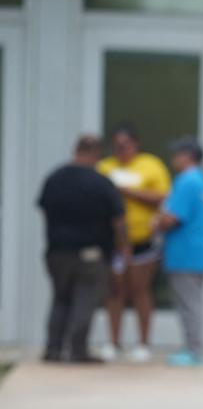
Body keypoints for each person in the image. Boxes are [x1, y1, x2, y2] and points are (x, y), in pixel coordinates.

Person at [37, 135, 128, 363]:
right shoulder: (101, 183)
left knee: (60, 299)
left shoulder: (54, 178)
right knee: (84, 300)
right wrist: (123, 248)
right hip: (91, 252)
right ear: (97, 154)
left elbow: (44, 210)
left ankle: (53, 349)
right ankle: (78, 350)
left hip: (57, 251)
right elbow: (119, 220)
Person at [97, 123, 171, 363]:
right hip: (113, 241)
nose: (121, 151)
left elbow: (163, 197)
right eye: (116, 147)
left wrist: (129, 192)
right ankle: (113, 342)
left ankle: (143, 344)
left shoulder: (151, 165)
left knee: (140, 289)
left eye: (125, 146)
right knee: (115, 291)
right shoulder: (105, 167)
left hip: (143, 239)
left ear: (135, 144)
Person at [153, 137, 203, 367]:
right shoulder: (200, 179)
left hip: (184, 252)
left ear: (188, 156)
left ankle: (193, 350)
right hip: (198, 251)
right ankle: (193, 347)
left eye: (177, 154)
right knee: (194, 302)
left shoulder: (186, 181)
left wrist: (156, 223)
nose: (174, 159)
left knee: (189, 303)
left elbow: (172, 218)